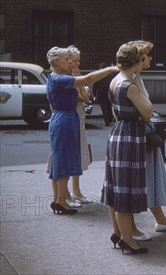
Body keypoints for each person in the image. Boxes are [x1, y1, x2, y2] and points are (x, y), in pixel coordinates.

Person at [45, 47, 119, 215]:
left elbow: (84, 95)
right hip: (65, 119)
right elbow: (87, 79)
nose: (70, 62)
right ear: (56, 62)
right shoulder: (59, 79)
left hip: (62, 118)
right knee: (63, 160)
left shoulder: (56, 78)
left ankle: (59, 199)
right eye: (66, 59)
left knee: (61, 159)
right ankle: (61, 201)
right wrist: (110, 69)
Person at [100, 42, 153, 254]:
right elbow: (148, 111)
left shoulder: (115, 81)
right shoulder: (129, 86)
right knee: (125, 188)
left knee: (115, 186)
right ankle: (128, 240)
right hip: (130, 136)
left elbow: (115, 113)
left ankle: (118, 232)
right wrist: (138, 83)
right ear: (137, 62)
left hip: (118, 133)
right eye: (143, 59)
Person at [129, 40, 166, 242]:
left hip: (144, 132)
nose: (151, 58)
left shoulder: (137, 78)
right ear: (139, 59)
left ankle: (161, 219)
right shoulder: (131, 80)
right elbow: (145, 110)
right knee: (139, 181)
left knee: (150, 178)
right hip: (140, 133)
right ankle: (132, 228)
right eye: (148, 56)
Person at [66, 45, 94, 204]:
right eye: (75, 61)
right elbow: (84, 97)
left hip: (79, 118)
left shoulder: (76, 78)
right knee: (69, 155)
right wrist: (79, 81)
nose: (78, 64)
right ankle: (67, 193)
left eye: (79, 61)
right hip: (70, 119)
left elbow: (86, 97)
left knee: (78, 154)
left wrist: (79, 80)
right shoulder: (67, 79)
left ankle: (76, 191)